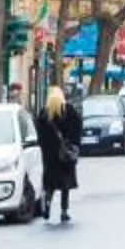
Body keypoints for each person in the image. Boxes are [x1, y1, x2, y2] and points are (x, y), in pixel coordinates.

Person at [40, 86, 83, 223]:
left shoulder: (44, 113)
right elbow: (78, 127)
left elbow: (40, 134)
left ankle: (47, 204)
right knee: (65, 185)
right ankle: (64, 211)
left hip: (50, 156)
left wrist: (44, 150)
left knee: (50, 185)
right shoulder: (68, 111)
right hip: (65, 155)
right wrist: (74, 144)